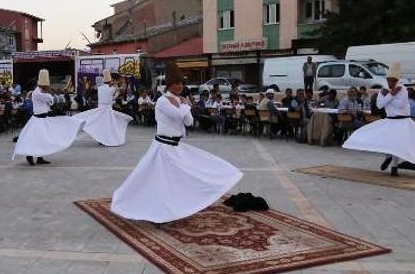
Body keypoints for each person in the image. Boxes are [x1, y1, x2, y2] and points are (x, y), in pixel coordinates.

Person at [110, 62, 243, 223]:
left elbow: (189, 122)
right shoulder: (162, 101)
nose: (180, 86)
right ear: (169, 85)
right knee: (159, 180)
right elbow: (179, 116)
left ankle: (174, 206)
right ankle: (159, 209)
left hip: (176, 146)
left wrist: (183, 104)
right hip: (163, 147)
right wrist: (184, 106)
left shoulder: (177, 100)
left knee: (186, 175)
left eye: (182, 83)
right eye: (177, 83)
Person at [343, 63, 415, 176]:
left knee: (399, 145)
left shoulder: (402, 89)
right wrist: (390, 94)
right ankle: (388, 157)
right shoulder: (385, 90)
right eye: (389, 80)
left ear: (397, 80)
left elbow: (400, 105)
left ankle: (394, 166)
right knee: (388, 142)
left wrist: (389, 96)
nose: (391, 83)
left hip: (403, 121)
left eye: (393, 81)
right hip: (390, 120)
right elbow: (379, 105)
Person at [13, 69, 84, 166]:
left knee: (43, 139)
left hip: (44, 118)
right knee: (35, 139)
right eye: (46, 85)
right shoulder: (37, 93)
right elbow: (50, 99)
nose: (48, 87)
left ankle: (40, 158)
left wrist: (47, 95)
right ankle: (29, 156)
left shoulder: (41, 92)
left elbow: (51, 101)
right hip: (38, 119)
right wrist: (48, 94)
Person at [72, 69, 133, 146]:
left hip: (100, 108)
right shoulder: (112, 88)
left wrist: (114, 84)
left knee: (101, 125)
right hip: (107, 109)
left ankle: (101, 139)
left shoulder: (100, 88)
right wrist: (118, 83)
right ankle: (107, 139)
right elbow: (120, 91)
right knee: (108, 126)